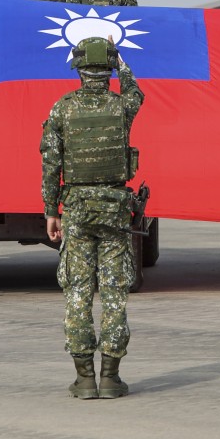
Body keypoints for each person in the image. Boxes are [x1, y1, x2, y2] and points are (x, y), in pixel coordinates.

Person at [41, 36, 144, 399]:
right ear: (109, 69)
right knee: (115, 292)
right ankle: (112, 378)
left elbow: (50, 164)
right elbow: (137, 92)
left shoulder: (62, 109)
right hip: (115, 211)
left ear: (79, 69)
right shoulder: (122, 106)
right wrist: (123, 64)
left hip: (78, 212)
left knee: (78, 292)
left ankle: (85, 379)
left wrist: (51, 212)